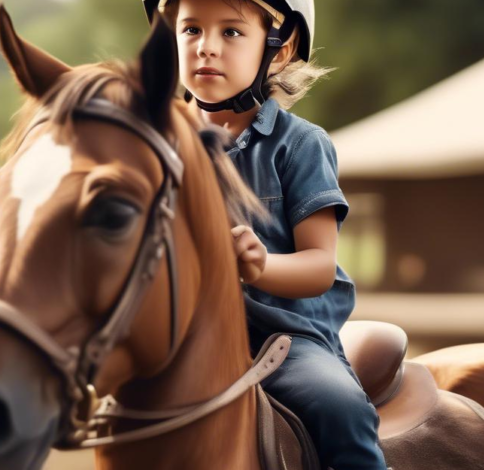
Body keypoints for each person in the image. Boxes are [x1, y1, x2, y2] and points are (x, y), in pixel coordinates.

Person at [143, 1, 390, 469]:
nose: (206, 48)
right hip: (178, 340)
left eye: (231, 33)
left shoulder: (300, 145)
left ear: (279, 48)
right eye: (190, 29)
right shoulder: (155, 144)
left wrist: (261, 265)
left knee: (339, 404)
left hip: (282, 343)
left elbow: (319, 265)